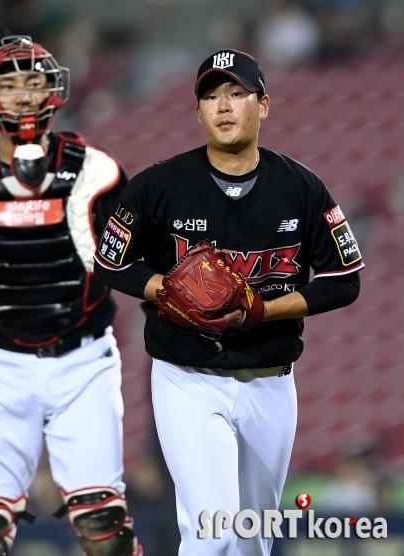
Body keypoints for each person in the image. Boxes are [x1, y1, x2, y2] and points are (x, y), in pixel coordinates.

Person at [93, 48, 364, 556]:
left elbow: (344, 279)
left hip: (270, 382)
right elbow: (110, 262)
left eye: (236, 93)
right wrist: (165, 291)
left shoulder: (302, 188)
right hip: (188, 380)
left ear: (263, 105)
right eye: (211, 96)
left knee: (253, 541)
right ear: (197, 111)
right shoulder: (158, 187)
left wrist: (263, 311)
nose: (223, 105)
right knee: (213, 532)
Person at [0, 36, 142, 556]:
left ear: (54, 91)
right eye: (9, 84)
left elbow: (140, 265)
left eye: (34, 82)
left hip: (84, 361)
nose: (24, 96)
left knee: (105, 530)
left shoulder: (98, 172)